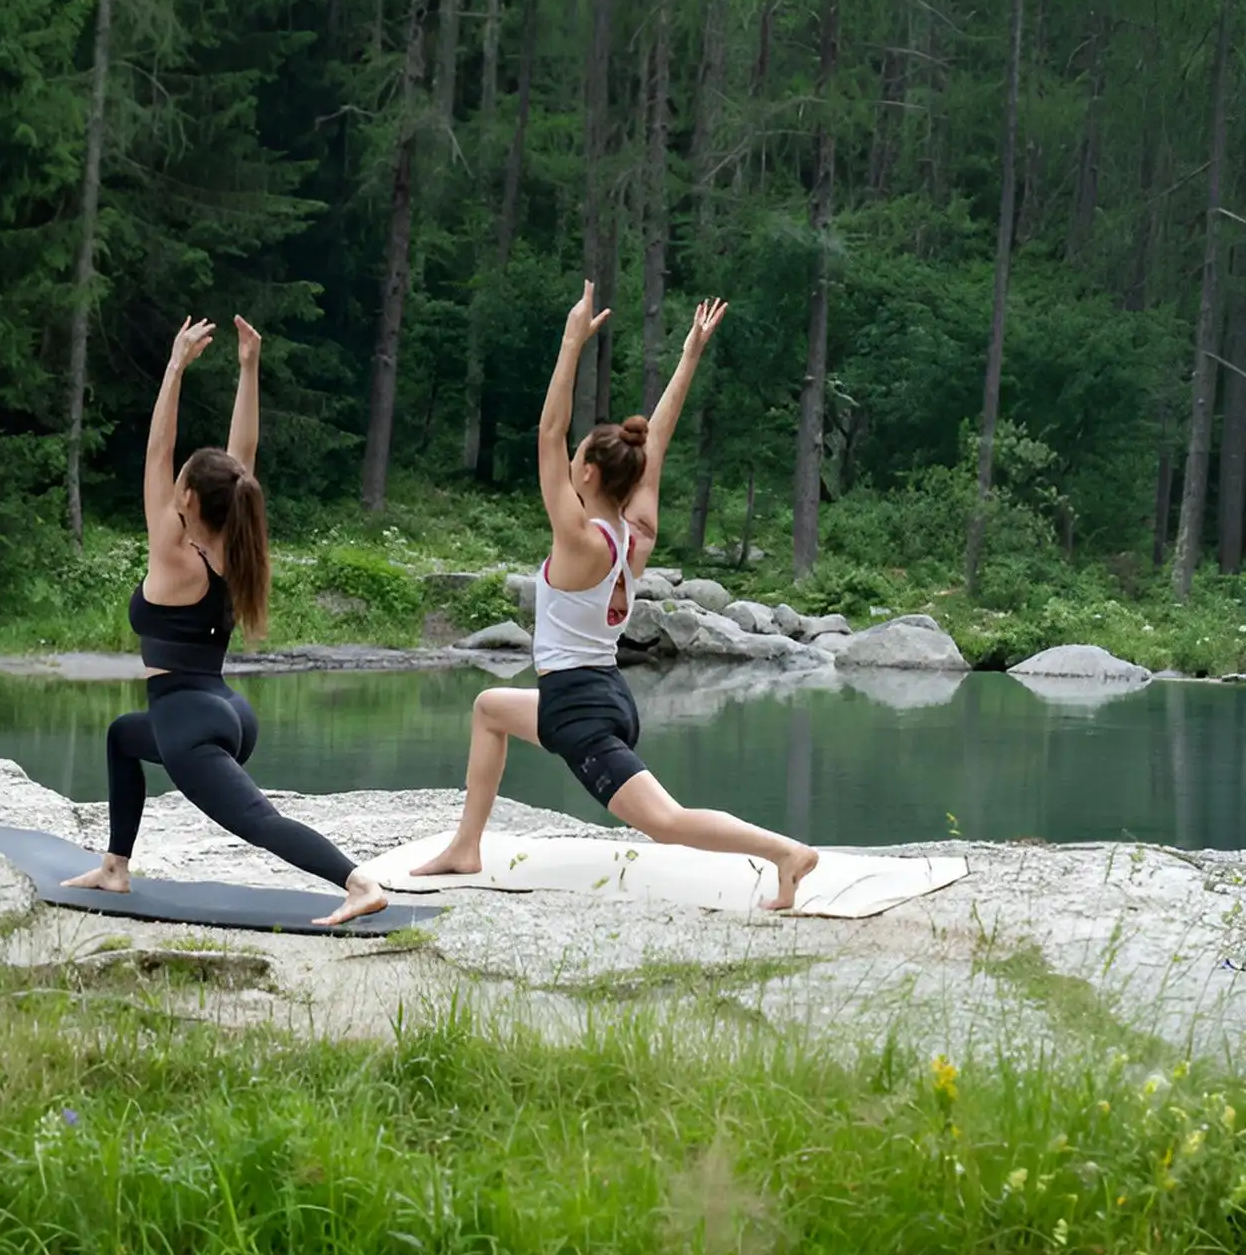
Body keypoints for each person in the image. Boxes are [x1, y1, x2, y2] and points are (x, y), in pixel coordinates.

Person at [407, 282, 820, 911]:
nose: (569, 461)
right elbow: (654, 443)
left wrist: (572, 342)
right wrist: (688, 357)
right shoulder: (637, 535)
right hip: (602, 692)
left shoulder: (578, 539)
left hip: (581, 709)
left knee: (664, 822)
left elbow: (549, 431)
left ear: (590, 475)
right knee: (490, 707)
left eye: (577, 459)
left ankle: (785, 854)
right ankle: (468, 845)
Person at [63, 316, 393, 926]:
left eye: (182, 482)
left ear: (187, 501)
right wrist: (248, 368)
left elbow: (159, 449)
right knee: (121, 736)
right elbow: (242, 460)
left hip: (189, 722)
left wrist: (174, 367)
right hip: (226, 711)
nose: (175, 482)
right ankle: (115, 866)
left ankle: (357, 882)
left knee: (258, 823)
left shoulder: (174, 551)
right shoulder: (231, 545)